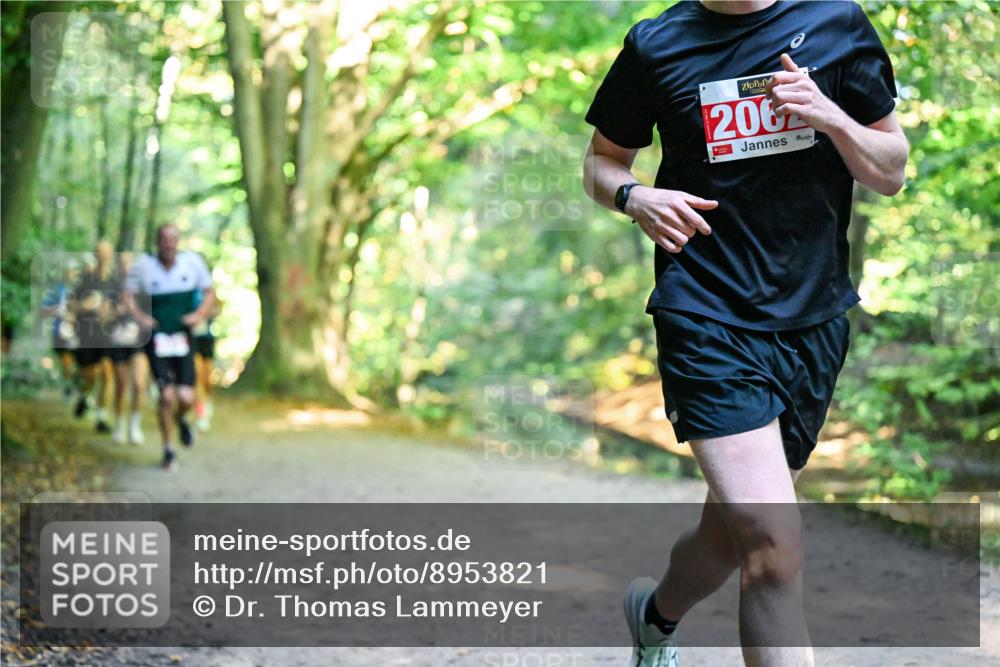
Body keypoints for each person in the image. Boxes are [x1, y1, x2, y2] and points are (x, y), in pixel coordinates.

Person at [581, 1, 908, 666]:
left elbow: (890, 170)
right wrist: (634, 197)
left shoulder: (837, 22)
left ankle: (655, 614)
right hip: (705, 312)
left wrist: (830, 116)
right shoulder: (657, 44)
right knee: (774, 545)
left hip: (813, 318)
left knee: (731, 537)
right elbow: (600, 162)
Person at [123, 224, 216, 470]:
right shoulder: (144, 266)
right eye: (164, 239)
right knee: (166, 396)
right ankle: (168, 450)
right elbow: (127, 294)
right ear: (157, 241)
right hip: (157, 339)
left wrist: (199, 315)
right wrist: (140, 318)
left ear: (178, 241)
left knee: (186, 396)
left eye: (172, 239)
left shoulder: (192, 263)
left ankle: (181, 418)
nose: (168, 244)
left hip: (183, 338)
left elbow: (210, 292)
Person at [71, 241, 117, 432]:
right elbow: (72, 307)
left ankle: (101, 418)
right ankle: (84, 397)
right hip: (86, 334)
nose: (103, 256)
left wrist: (111, 312)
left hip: (107, 335)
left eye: (106, 252)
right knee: (90, 375)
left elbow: (123, 308)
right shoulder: (85, 281)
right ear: (95, 255)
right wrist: (86, 305)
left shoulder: (115, 282)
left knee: (107, 373)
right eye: (99, 252)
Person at [107, 251, 148, 445]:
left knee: (139, 384)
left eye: (129, 263)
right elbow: (103, 316)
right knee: (121, 385)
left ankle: (135, 425)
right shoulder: (112, 289)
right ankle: (119, 424)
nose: (126, 267)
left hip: (139, 342)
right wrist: (118, 311)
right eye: (122, 264)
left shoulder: (142, 288)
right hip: (118, 342)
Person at [191, 254, 221, 433]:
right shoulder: (188, 287)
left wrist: (207, 314)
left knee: (207, 378)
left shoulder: (209, 289)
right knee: (197, 376)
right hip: (192, 338)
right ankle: (200, 413)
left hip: (207, 337)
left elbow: (218, 308)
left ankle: (207, 403)